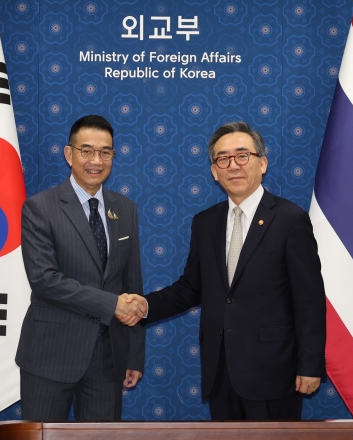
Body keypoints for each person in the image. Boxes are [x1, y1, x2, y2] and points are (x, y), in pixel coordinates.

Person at [122, 121, 326, 420]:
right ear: (214, 171)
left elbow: (309, 300)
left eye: (242, 155)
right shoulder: (206, 222)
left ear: (262, 163)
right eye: (223, 158)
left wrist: (309, 365)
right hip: (220, 371)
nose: (233, 165)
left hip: (273, 371)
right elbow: (191, 288)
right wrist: (145, 305)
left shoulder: (290, 219)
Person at [16, 115, 147, 421]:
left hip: (108, 358)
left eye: (105, 152)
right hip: (50, 355)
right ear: (69, 154)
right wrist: (111, 304)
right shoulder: (40, 207)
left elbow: (133, 283)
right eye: (86, 150)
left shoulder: (125, 209)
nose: (96, 161)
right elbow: (44, 280)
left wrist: (133, 354)